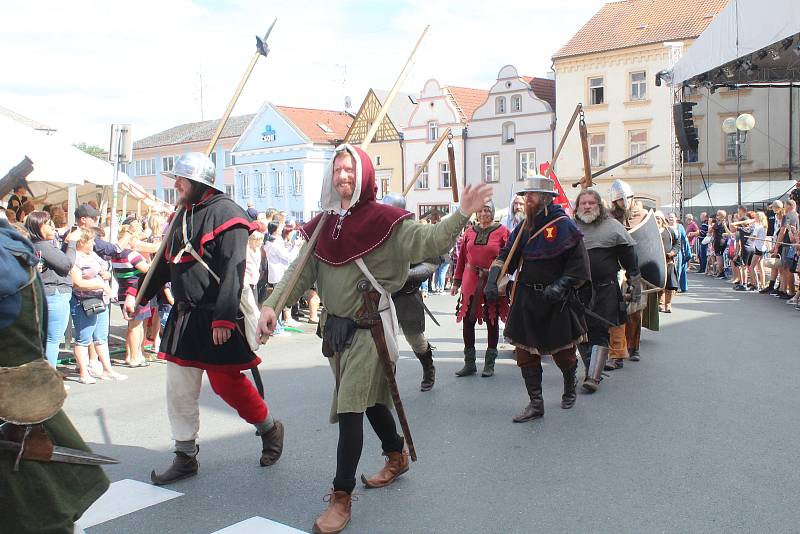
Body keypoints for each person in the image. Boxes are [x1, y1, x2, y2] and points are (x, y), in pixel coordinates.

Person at [257, 144, 491, 534]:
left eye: (350, 169)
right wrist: (272, 305)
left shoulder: (386, 222)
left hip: (370, 330)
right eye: (337, 170)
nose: (343, 176)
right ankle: (396, 453)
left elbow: (432, 242)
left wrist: (462, 213)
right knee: (370, 401)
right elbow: (300, 272)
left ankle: (341, 496)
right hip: (336, 332)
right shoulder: (325, 225)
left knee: (350, 408)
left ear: (364, 174)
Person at [130, 152, 284, 485]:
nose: (177, 185)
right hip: (185, 318)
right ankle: (185, 456)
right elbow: (163, 267)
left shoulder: (228, 214)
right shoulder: (181, 216)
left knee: (226, 384)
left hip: (217, 315)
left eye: (181, 180)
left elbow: (233, 271)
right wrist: (138, 295)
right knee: (179, 388)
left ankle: (269, 428)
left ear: (200, 182)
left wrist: (224, 319)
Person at [0, 219, 111, 533]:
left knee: (35, 513)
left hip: (15, 411)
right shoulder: (11, 243)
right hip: (21, 404)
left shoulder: (6, 253)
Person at [483, 174, 590, 423]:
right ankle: (536, 403)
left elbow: (579, 265)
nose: (526, 199)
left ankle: (569, 385)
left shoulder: (564, 225)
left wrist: (561, 285)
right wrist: (493, 279)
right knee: (524, 354)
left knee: (563, 353)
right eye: (525, 195)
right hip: (526, 298)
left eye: (530, 195)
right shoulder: (524, 227)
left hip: (555, 299)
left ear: (544, 198)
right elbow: (506, 254)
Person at [572, 189, 640, 391]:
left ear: (599, 206)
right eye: (583, 203)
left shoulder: (612, 227)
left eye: (591, 203)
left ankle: (593, 376)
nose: (587, 206)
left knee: (600, 330)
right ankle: (592, 369)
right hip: (576, 289)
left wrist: (633, 280)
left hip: (604, 287)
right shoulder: (570, 228)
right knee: (579, 331)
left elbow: (630, 257)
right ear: (577, 207)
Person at [382, 192, 438, 392]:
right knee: (384, 342)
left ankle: (428, 368)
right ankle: (388, 384)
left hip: (406, 293)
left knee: (415, 339)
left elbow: (431, 263)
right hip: (381, 296)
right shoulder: (376, 232)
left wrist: (406, 274)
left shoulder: (414, 233)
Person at [451, 200, 510, 377]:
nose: (484, 214)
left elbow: (509, 258)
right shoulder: (469, 232)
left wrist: (501, 276)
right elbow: (461, 258)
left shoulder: (503, 232)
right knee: (468, 321)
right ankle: (469, 363)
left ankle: (489, 364)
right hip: (470, 279)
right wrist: (456, 282)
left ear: (493, 212)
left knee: (492, 320)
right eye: (481, 211)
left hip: (492, 280)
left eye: (487, 210)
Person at [71, 230, 126, 383]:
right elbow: (78, 283)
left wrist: (105, 276)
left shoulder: (92, 255)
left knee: (101, 337)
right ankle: (83, 373)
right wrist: (99, 283)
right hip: (83, 301)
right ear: (81, 242)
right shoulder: (75, 257)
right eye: (90, 241)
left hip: (100, 299)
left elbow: (102, 270)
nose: (93, 244)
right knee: (83, 338)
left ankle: (107, 370)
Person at [25, 211, 76, 368]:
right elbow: (67, 264)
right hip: (54, 293)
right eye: (48, 224)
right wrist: (72, 243)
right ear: (38, 226)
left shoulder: (35, 245)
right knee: (53, 339)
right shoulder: (42, 246)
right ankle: (49, 378)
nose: (52, 227)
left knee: (47, 339)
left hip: (48, 293)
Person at [608, 179, 648, 362]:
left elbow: (648, 241)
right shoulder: (609, 219)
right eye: (620, 200)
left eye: (627, 199)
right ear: (614, 202)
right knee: (617, 311)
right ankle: (618, 350)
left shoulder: (643, 215)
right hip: (615, 269)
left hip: (636, 269)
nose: (625, 203)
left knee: (635, 311)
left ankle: (634, 347)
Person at [112, 224, 151, 368]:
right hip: (135, 292)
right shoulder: (131, 254)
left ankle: (130, 354)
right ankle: (135, 357)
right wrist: (147, 258)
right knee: (136, 326)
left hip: (123, 290)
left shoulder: (116, 254)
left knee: (132, 325)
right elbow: (146, 269)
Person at [656, 212, 679, 312]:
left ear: (662, 219)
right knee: (659, 283)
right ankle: (660, 303)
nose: (657, 220)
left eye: (658, 218)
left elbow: (677, 243)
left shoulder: (669, 231)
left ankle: (668, 304)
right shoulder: (653, 231)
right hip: (657, 261)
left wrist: (673, 252)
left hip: (668, 261)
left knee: (669, 283)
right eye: (655, 218)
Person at [668, 212, 690, 292]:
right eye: (669, 217)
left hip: (678, 251)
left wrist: (687, 252)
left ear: (676, 218)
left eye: (672, 217)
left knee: (679, 269)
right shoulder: (666, 227)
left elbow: (685, 239)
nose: (670, 219)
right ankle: (672, 286)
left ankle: (677, 287)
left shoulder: (680, 227)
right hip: (669, 250)